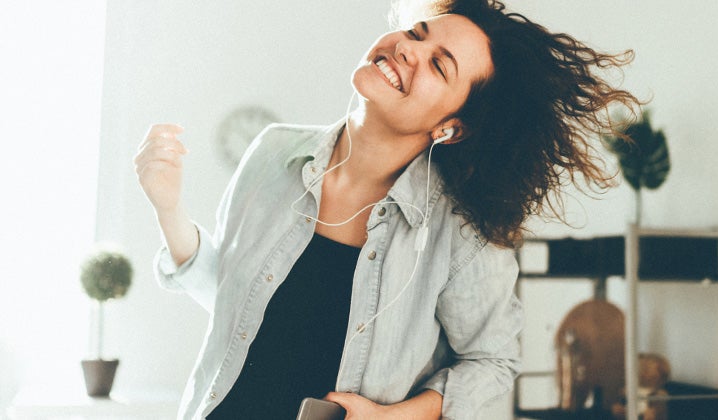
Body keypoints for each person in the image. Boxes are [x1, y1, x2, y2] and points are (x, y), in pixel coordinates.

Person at [134, 0, 641, 418]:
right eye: (417, 33)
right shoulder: (272, 153)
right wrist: (168, 208)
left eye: (440, 65)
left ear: (451, 127)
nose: (408, 49)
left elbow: (493, 363)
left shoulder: (461, 229)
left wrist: (391, 418)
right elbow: (231, 300)